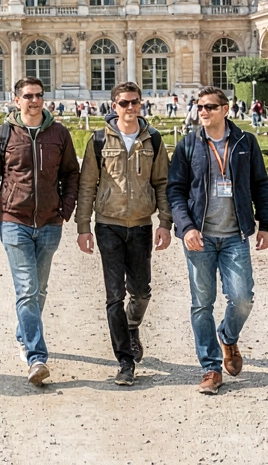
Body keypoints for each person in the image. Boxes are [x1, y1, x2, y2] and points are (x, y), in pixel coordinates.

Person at [167, 86, 268, 395]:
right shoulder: (189, 144)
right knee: (202, 304)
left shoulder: (245, 142)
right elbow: (175, 190)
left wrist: (266, 224)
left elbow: (260, 185)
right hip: (199, 236)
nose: (203, 111)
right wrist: (186, 227)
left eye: (210, 107)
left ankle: (227, 337)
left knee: (243, 298)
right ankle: (210, 368)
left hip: (234, 236)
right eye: (200, 106)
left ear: (226, 109)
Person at [0, 77, 81, 386]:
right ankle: (37, 357)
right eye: (28, 96)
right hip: (14, 221)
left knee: (40, 289)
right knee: (27, 290)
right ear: (16, 99)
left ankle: (23, 333)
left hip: (49, 222)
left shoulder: (59, 133)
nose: (34, 101)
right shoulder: (3, 134)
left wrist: (66, 209)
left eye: (38, 95)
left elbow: (71, 174)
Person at [75, 82, 171, 385]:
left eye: (136, 103)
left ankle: (132, 327)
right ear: (114, 106)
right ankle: (125, 360)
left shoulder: (153, 139)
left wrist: (165, 223)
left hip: (142, 224)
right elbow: (87, 184)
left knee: (141, 291)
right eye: (125, 103)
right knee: (114, 295)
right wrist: (83, 227)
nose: (131, 108)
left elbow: (162, 184)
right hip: (108, 224)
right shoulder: (100, 139)